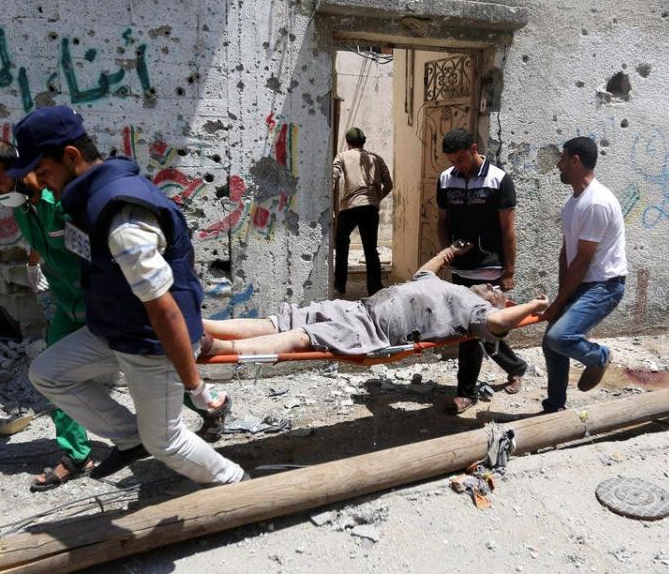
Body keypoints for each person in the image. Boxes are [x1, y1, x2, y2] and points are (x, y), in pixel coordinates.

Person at [7, 105, 247, 485]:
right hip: (116, 330)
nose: (42, 182)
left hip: (150, 343)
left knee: (166, 441)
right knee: (48, 373)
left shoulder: (122, 218)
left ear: (71, 156)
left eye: (45, 172)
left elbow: (165, 310)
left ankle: (236, 486)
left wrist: (196, 388)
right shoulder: (90, 200)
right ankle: (129, 436)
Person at [0, 139, 92, 492]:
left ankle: (204, 408)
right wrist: (35, 275)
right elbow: (38, 245)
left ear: (17, 171)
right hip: (68, 307)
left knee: (147, 363)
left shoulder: (59, 201)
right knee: (52, 374)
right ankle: (77, 455)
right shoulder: (22, 209)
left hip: (102, 304)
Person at [202, 244, 548, 358]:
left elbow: (501, 323)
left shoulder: (476, 311)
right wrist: (446, 254)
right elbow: (426, 270)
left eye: (499, 294)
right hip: (358, 308)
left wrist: (533, 305)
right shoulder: (445, 287)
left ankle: (218, 347)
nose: (493, 289)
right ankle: (202, 325)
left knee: (305, 337)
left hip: (370, 330)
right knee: (284, 320)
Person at [437, 127, 528, 414]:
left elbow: (508, 229)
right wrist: (446, 252)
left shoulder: (498, 179)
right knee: (475, 331)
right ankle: (516, 366)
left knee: (472, 332)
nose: (458, 166)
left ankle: (466, 393)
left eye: (462, 159)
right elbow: (442, 221)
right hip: (461, 268)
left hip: (490, 268)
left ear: (475, 149)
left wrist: (509, 270)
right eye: (453, 161)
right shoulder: (445, 179)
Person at [540, 136, 627, 413]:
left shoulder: (597, 202)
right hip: (583, 283)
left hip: (604, 286)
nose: (558, 165)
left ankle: (599, 356)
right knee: (551, 342)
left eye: (563, 159)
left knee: (559, 337)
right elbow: (566, 254)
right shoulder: (573, 203)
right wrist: (560, 298)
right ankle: (554, 407)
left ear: (575, 161)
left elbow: (583, 259)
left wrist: (558, 303)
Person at [332, 127, 393, 296]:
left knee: (342, 245)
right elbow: (389, 184)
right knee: (371, 249)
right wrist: (375, 199)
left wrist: (329, 204)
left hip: (349, 207)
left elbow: (333, 177)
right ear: (363, 141)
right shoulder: (377, 159)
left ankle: (340, 285)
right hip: (370, 208)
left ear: (348, 142)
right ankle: (374, 288)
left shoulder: (343, 156)